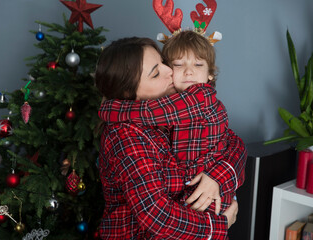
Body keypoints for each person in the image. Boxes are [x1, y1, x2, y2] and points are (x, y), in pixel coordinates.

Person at [95, 37, 246, 239]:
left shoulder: (173, 109)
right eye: (156, 73)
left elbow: (233, 143)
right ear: (128, 92)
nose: (170, 72)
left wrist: (216, 177)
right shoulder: (125, 136)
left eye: (164, 63)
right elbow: (156, 215)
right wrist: (219, 225)